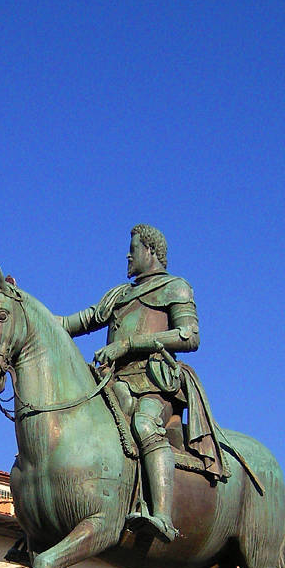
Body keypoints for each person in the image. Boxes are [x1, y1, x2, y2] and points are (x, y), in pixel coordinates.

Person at [60, 224, 225, 543]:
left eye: (133, 248)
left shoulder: (175, 287)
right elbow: (74, 323)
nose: (128, 254)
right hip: (114, 384)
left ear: (150, 251)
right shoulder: (119, 295)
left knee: (145, 425)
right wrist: (28, 310)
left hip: (155, 383)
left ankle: (161, 515)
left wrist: (130, 344)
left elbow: (189, 336)